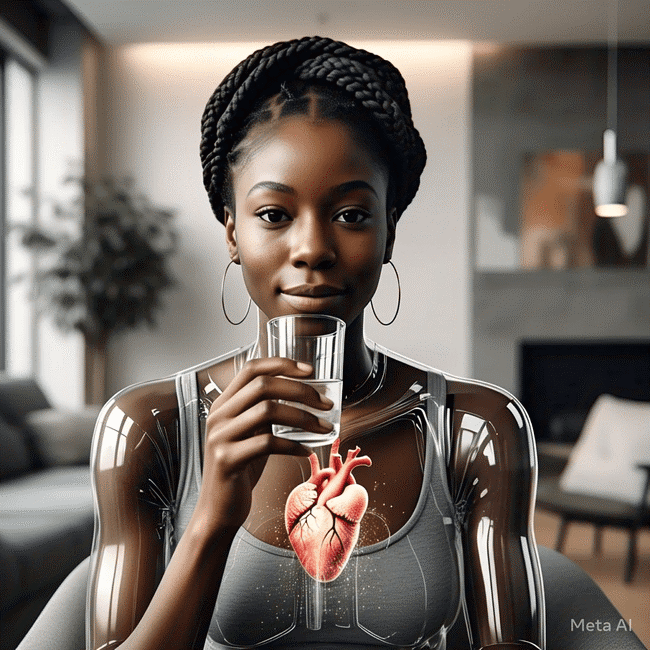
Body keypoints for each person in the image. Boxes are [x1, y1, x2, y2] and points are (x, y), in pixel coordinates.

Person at [90, 36, 544, 650]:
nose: (312, 249)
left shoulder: (476, 428)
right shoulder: (148, 429)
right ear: (231, 232)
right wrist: (212, 518)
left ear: (389, 231)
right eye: (274, 214)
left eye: (352, 214)